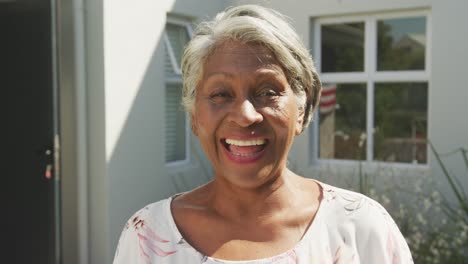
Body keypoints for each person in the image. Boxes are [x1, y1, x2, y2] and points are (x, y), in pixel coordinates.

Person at [113, 4, 413, 264]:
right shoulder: (148, 237)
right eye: (220, 93)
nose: (245, 116)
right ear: (194, 116)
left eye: (268, 91)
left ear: (301, 109)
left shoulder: (359, 229)